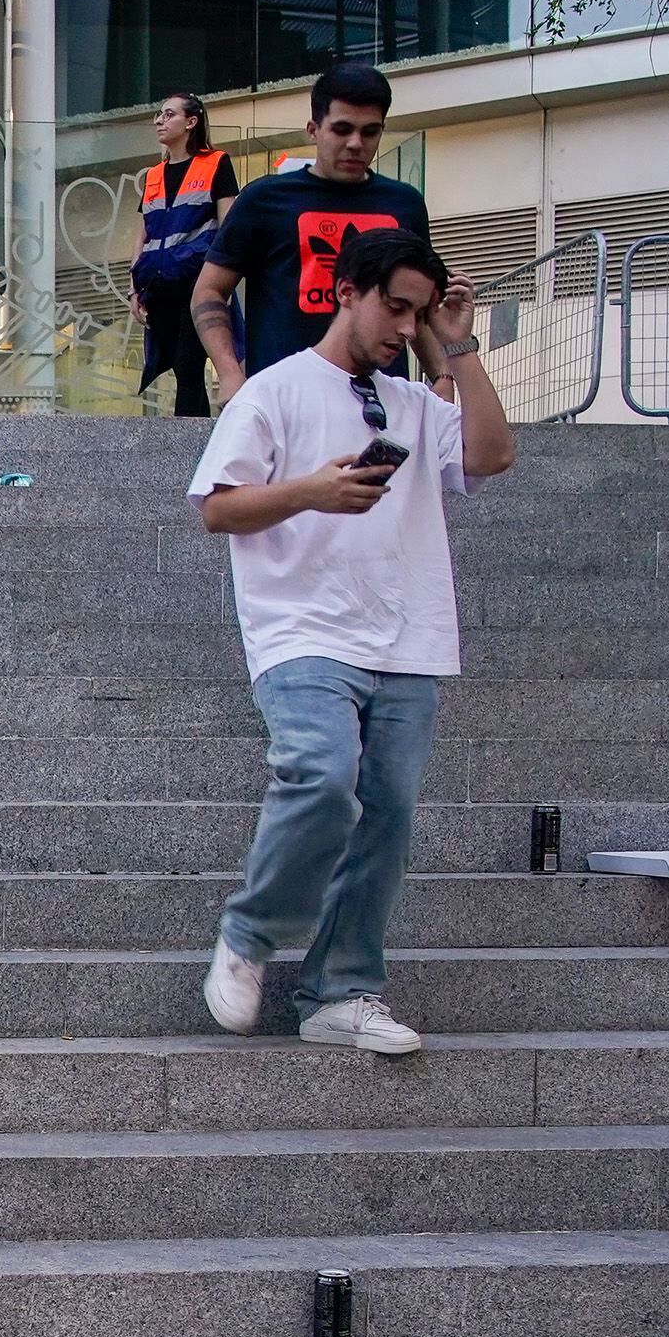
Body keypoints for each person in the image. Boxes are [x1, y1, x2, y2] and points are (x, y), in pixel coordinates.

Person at [191, 228, 513, 1056]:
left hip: (409, 638)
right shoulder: (276, 390)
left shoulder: (412, 404)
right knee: (324, 776)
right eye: (394, 308)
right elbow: (219, 507)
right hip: (302, 632)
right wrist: (312, 492)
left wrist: (460, 342)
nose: (404, 329)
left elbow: (491, 453)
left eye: (418, 314)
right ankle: (251, 932)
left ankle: (340, 991)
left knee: (387, 819)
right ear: (345, 292)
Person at [191, 63, 430, 402]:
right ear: (313, 129)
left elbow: (421, 308)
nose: (355, 144)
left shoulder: (404, 204)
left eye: (370, 132)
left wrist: (443, 376)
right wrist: (230, 373)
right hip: (285, 402)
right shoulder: (264, 199)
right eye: (342, 129)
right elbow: (208, 291)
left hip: (381, 402)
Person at [129, 93, 239, 419]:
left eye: (168, 114)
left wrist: (224, 284)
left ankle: (189, 447)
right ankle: (194, 444)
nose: (159, 121)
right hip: (159, 282)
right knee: (180, 367)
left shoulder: (216, 162)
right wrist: (135, 289)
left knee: (189, 363)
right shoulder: (153, 175)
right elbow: (143, 234)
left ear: (191, 122)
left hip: (197, 281)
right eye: (158, 115)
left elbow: (228, 227)